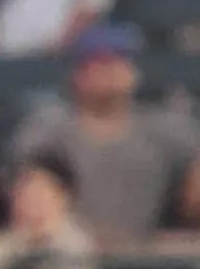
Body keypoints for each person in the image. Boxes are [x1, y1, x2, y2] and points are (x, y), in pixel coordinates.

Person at [13, 26, 200, 250]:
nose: (111, 72)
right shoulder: (48, 130)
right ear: (78, 73)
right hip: (64, 252)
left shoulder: (165, 129)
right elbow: (27, 196)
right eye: (100, 64)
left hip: (145, 254)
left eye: (119, 62)